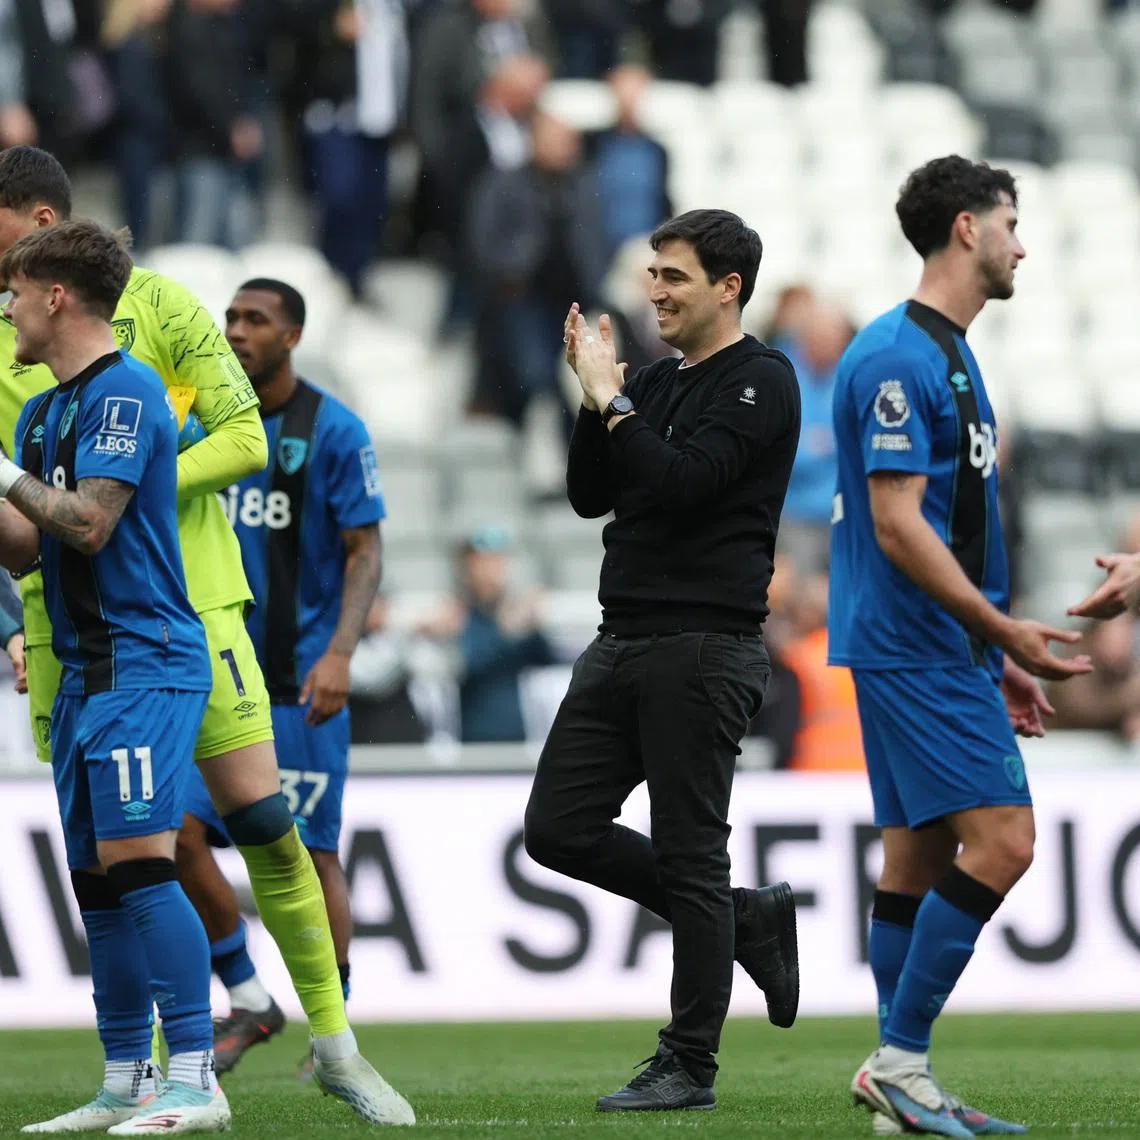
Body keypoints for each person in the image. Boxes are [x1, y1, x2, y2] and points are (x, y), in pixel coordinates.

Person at [0, 145, 412, 1125]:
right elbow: (25, 525)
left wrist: (129, 486)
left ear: (46, 240)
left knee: (265, 828)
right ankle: (159, 1056)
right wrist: (16, 613)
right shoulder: (26, 363)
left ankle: (333, 1041)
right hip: (67, 627)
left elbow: (243, 438)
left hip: (186, 614)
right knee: (111, 860)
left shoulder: (158, 318)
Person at [828, 155, 1092, 1137]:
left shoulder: (947, 350)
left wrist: (1001, 654)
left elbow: (950, 519)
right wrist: (995, 629)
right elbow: (899, 526)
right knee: (1008, 843)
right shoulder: (900, 356)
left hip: (936, 645)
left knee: (915, 859)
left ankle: (908, 1083)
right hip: (918, 645)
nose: (1022, 243)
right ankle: (897, 1065)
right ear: (967, 231)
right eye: (1010, 223)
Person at [524, 209, 802, 1112]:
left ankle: (690, 1064)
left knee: (692, 855)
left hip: (703, 646)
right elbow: (587, 495)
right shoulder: (649, 381)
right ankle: (746, 918)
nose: (654, 291)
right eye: (652, 273)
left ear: (728, 286)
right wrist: (591, 393)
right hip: (622, 639)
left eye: (674, 276)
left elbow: (685, 486)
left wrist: (615, 401)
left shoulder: (761, 381)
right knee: (558, 829)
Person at [0, 220, 228, 1133]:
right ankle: (129, 1074)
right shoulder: (40, 410)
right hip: (84, 669)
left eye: (15, 292)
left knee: (142, 864)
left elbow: (90, 524)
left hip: (146, 657)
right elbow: (30, 548)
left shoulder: (128, 392)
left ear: (56, 296)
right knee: (96, 876)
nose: (7, 309)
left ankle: (197, 1076)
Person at [173, 278, 384, 1077]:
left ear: (292, 336)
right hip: (211, 676)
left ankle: (336, 1027)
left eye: (255, 321)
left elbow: (366, 547)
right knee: (177, 836)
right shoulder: (191, 412)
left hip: (298, 684)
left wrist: (341, 653)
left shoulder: (331, 429)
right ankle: (249, 994)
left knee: (310, 852)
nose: (236, 332)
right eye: (230, 318)